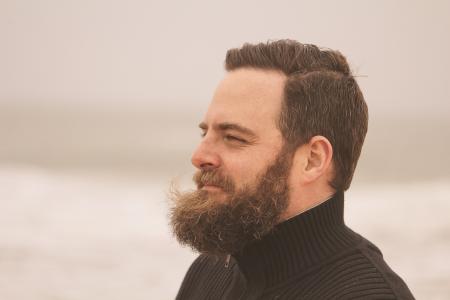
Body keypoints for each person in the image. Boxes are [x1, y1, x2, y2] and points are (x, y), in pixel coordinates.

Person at [169, 40, 415, 300]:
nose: (199, 157)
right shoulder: (211, 272)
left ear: (312, 160)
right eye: (204, 133)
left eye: (233, 137)